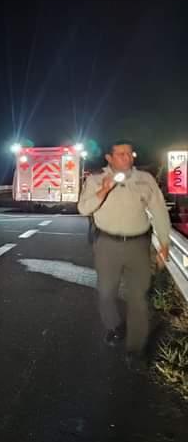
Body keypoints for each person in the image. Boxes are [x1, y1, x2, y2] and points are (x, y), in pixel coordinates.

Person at [78, 140, 171, 370]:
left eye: (130, 153)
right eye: (121, 154)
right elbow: (84, 208)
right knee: (106, 293)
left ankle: (135, 349)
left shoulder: (145, 179)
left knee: (138, 298)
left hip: (138, 244)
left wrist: (165, 242)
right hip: (107, 244)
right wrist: (104, 190)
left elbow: (159, 209)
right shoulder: (96, 179)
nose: (127, 157)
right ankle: (115, 326)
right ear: (109, 158)